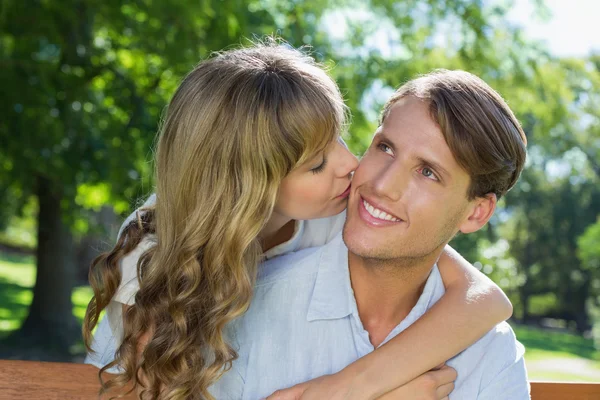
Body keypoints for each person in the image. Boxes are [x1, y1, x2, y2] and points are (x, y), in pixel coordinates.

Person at [83, 42, 513, 400]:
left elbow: (486, 300)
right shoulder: (154, 249)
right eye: (316, 164)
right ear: (252, 188)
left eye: (340, 138)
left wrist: (347, 387)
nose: (352, 165)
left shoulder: (336, 215)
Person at [209, 70, 530, 400]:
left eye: (428, 172)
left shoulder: (492, 355)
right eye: (386, 148)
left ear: (476, 212)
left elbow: (484, 297)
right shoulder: (241, 313)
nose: (381, 185)